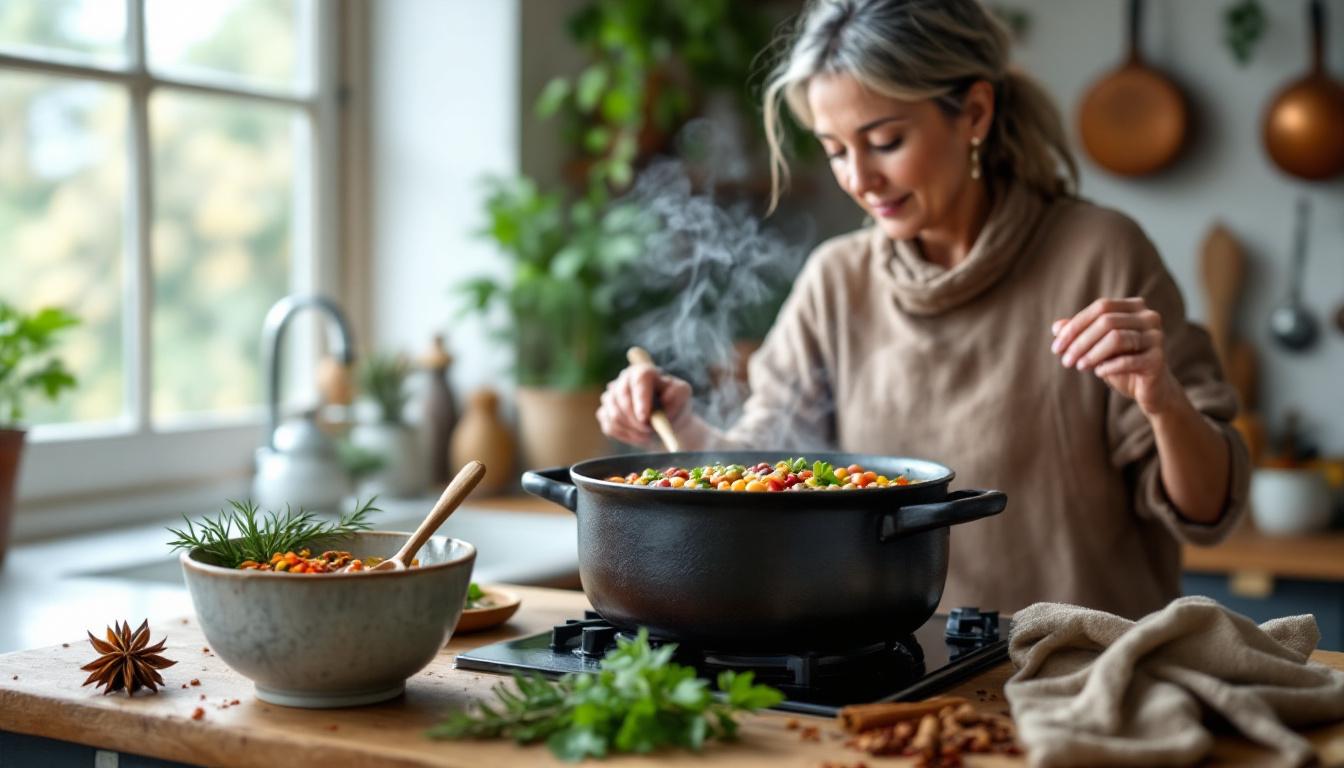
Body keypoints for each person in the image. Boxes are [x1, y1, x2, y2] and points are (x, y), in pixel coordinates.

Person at [595, 0, 1249, 620]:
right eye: (835, 150)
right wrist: (679, 426)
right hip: (906, 667)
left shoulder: (1098, 254)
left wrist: (1162, 399)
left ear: (974, 114)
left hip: (1084, 665)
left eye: (884, 141)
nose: (859, 180)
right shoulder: (837, 280)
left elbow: (1208, 511)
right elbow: (769, 475)